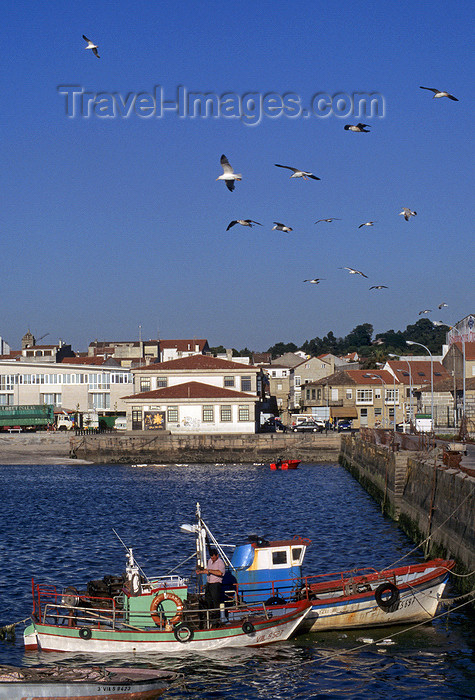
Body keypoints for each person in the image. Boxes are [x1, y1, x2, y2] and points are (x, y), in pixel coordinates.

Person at [197, 548, 225, 624]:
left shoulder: (220, 563)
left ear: (217, 555)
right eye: (211, 556)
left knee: (216, 601)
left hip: (216, 584)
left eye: (213, 556)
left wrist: (210, 571)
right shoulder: (209, 561)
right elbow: (207, 570)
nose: (212, 558)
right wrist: (201, 571)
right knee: (208, 599)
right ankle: (209, 615)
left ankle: (217, 617)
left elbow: (220, 573)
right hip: (209, 583)